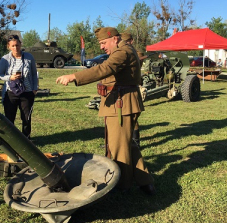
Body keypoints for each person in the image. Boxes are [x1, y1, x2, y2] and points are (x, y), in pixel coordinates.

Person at [56, 27, 155, 195]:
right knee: (127, 145)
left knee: (118, 148)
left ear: (114, 39)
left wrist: (74, 76)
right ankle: (144, 181)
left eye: (103, 43)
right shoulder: (123, 49)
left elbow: (104, 69)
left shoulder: (123, 51)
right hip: (119, 102)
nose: (101, 47)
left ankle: (121, 186)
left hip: (121, 104)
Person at [0, 34, 38, 139]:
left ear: (20, 44)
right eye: (13, 46)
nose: (15, 48)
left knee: (26, 118)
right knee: (9, 118)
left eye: (17, 45)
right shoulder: (5, 59)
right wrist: (10, 77)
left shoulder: (29, 57)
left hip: (27, 92)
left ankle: (26, 138)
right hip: (11, 92)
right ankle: (11, 139)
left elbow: (34, 73)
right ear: (8, 46)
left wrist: (34, 88)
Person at [121, 32, 144, 149]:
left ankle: (135, 142)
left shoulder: (134, 52)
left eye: (125, 41)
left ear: (131, 41)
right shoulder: (122, 51)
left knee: (132, 118)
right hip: (123, 88)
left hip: (131, 88)